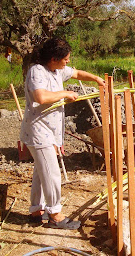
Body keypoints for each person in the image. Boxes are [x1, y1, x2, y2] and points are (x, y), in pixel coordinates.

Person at [20, 37, 105, 229]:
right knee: (52, 174)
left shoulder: (56, 70)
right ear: (53, 58)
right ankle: (55, 215)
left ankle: (36, 211)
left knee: (41, 173)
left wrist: (96, 79)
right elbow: (41, 97)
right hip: (38, 130)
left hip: (49, 131)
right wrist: (65, 93)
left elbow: (77, 73)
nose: (67, 62)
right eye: (65, 59)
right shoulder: (37, 71)